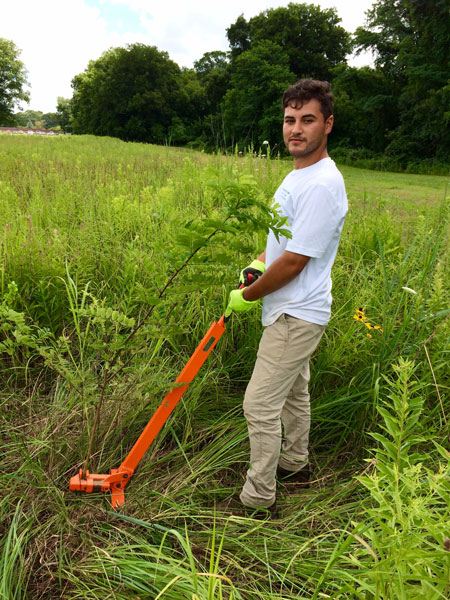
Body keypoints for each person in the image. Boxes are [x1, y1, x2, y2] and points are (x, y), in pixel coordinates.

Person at [225, 78, 348, 515]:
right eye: (290, 119)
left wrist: (251, 295)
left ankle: (257, 499)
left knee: (258, 405)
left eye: (307, 120)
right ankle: (295, 465)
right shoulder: (299, 174)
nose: (296, 129)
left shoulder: (321, 184)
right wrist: (259, 262)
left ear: (327, 124)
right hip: (290, 306)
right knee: (295, 394)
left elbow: (295, 261)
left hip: (296, 312)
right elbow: (282, 244)